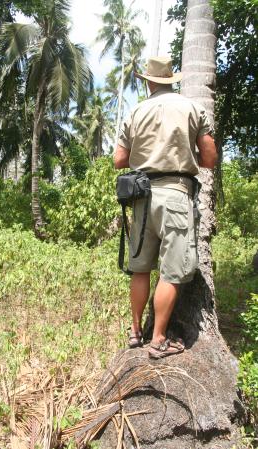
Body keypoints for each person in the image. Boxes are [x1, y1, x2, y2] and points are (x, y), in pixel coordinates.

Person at [114, 56, 217, 359]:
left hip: (141, 196)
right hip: (175, 193)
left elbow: (119, 160)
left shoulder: (135, 111)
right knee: (171, 272)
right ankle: (158, 338)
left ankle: (135, 333)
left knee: (140, 268)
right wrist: (183, 158)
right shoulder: (191, 108)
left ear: (148, 80)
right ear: (171, 80)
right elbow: (209, 159)